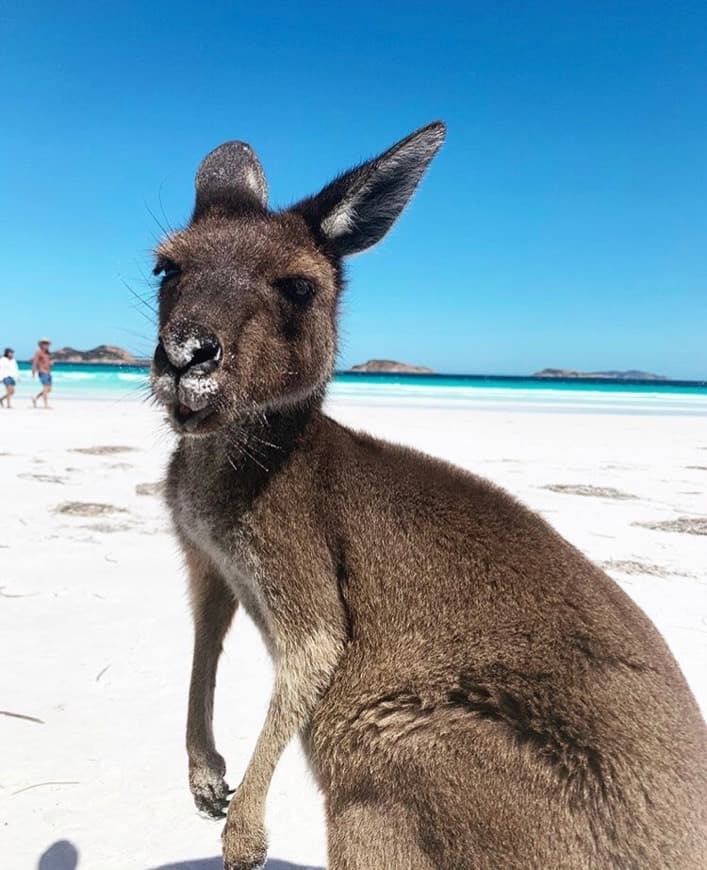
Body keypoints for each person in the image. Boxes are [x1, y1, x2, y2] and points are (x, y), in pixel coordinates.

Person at [32, 338, 53, 408]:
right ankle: (46, 405)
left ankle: (35, 398)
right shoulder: (38, 352)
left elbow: (48, 363)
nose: (46, 345)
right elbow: (34, 363)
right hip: (42, 372)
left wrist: (51, 363)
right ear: (41, 345)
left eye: (47, 344)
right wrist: (33, 373)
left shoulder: (48, 353)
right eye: (45, 343)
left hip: (48, 373)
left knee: (49, 389)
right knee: (46, 388)